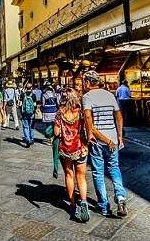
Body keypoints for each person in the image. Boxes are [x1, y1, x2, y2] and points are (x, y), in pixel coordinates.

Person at [82, 70, 127, 218]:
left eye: (84, 82)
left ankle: (103, 206)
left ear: (88, 82)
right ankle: (120, 197)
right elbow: (119, 116)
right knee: (114, 168)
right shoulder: (109, 95)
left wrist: (90, 134)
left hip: (97, 140)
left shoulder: (87, 97)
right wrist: (119, 136)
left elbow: (88, 118)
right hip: (113, 138)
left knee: (98, 173)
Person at [54, 88, 90, 222]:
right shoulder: (81, 112)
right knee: (81, 177)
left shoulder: (60, 113)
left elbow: (57, 133)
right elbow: (87, 129)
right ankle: (84, 202)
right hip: (80, 148)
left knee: (69, 175)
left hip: (65, 149)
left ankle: (73, 205)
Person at [41, 82, 60, 178]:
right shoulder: (55, 94)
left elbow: (43, 104)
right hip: (54, 111)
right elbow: (58, 103)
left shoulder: (44, 95)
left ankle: (49, 137)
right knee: (54, 125)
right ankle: (51, 136)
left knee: (48, 126)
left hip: (47, 112)